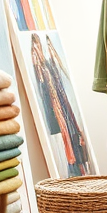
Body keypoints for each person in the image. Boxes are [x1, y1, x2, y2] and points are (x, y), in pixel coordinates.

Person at [31, 32, 91, 176]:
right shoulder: (42, 69)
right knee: (67, 136)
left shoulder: (50, 67)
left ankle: (78, 172)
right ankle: (75, 172)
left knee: (70, 135)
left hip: (61, 107)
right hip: (55, 108)